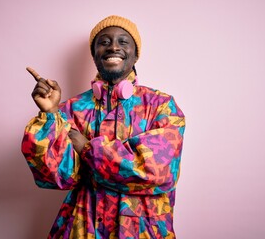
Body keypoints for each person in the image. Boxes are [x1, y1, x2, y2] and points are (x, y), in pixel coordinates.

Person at [22, 15, 185, 239]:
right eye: (104, 42)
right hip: (81, 229)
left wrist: (88, 149)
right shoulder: (72, 109)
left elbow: (156, 172)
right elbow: (57, 176)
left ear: (136, 54)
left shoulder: (162, 106)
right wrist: (50, 114)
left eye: (123, 41)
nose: (113, 47)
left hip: (142, 231)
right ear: (94, 53)